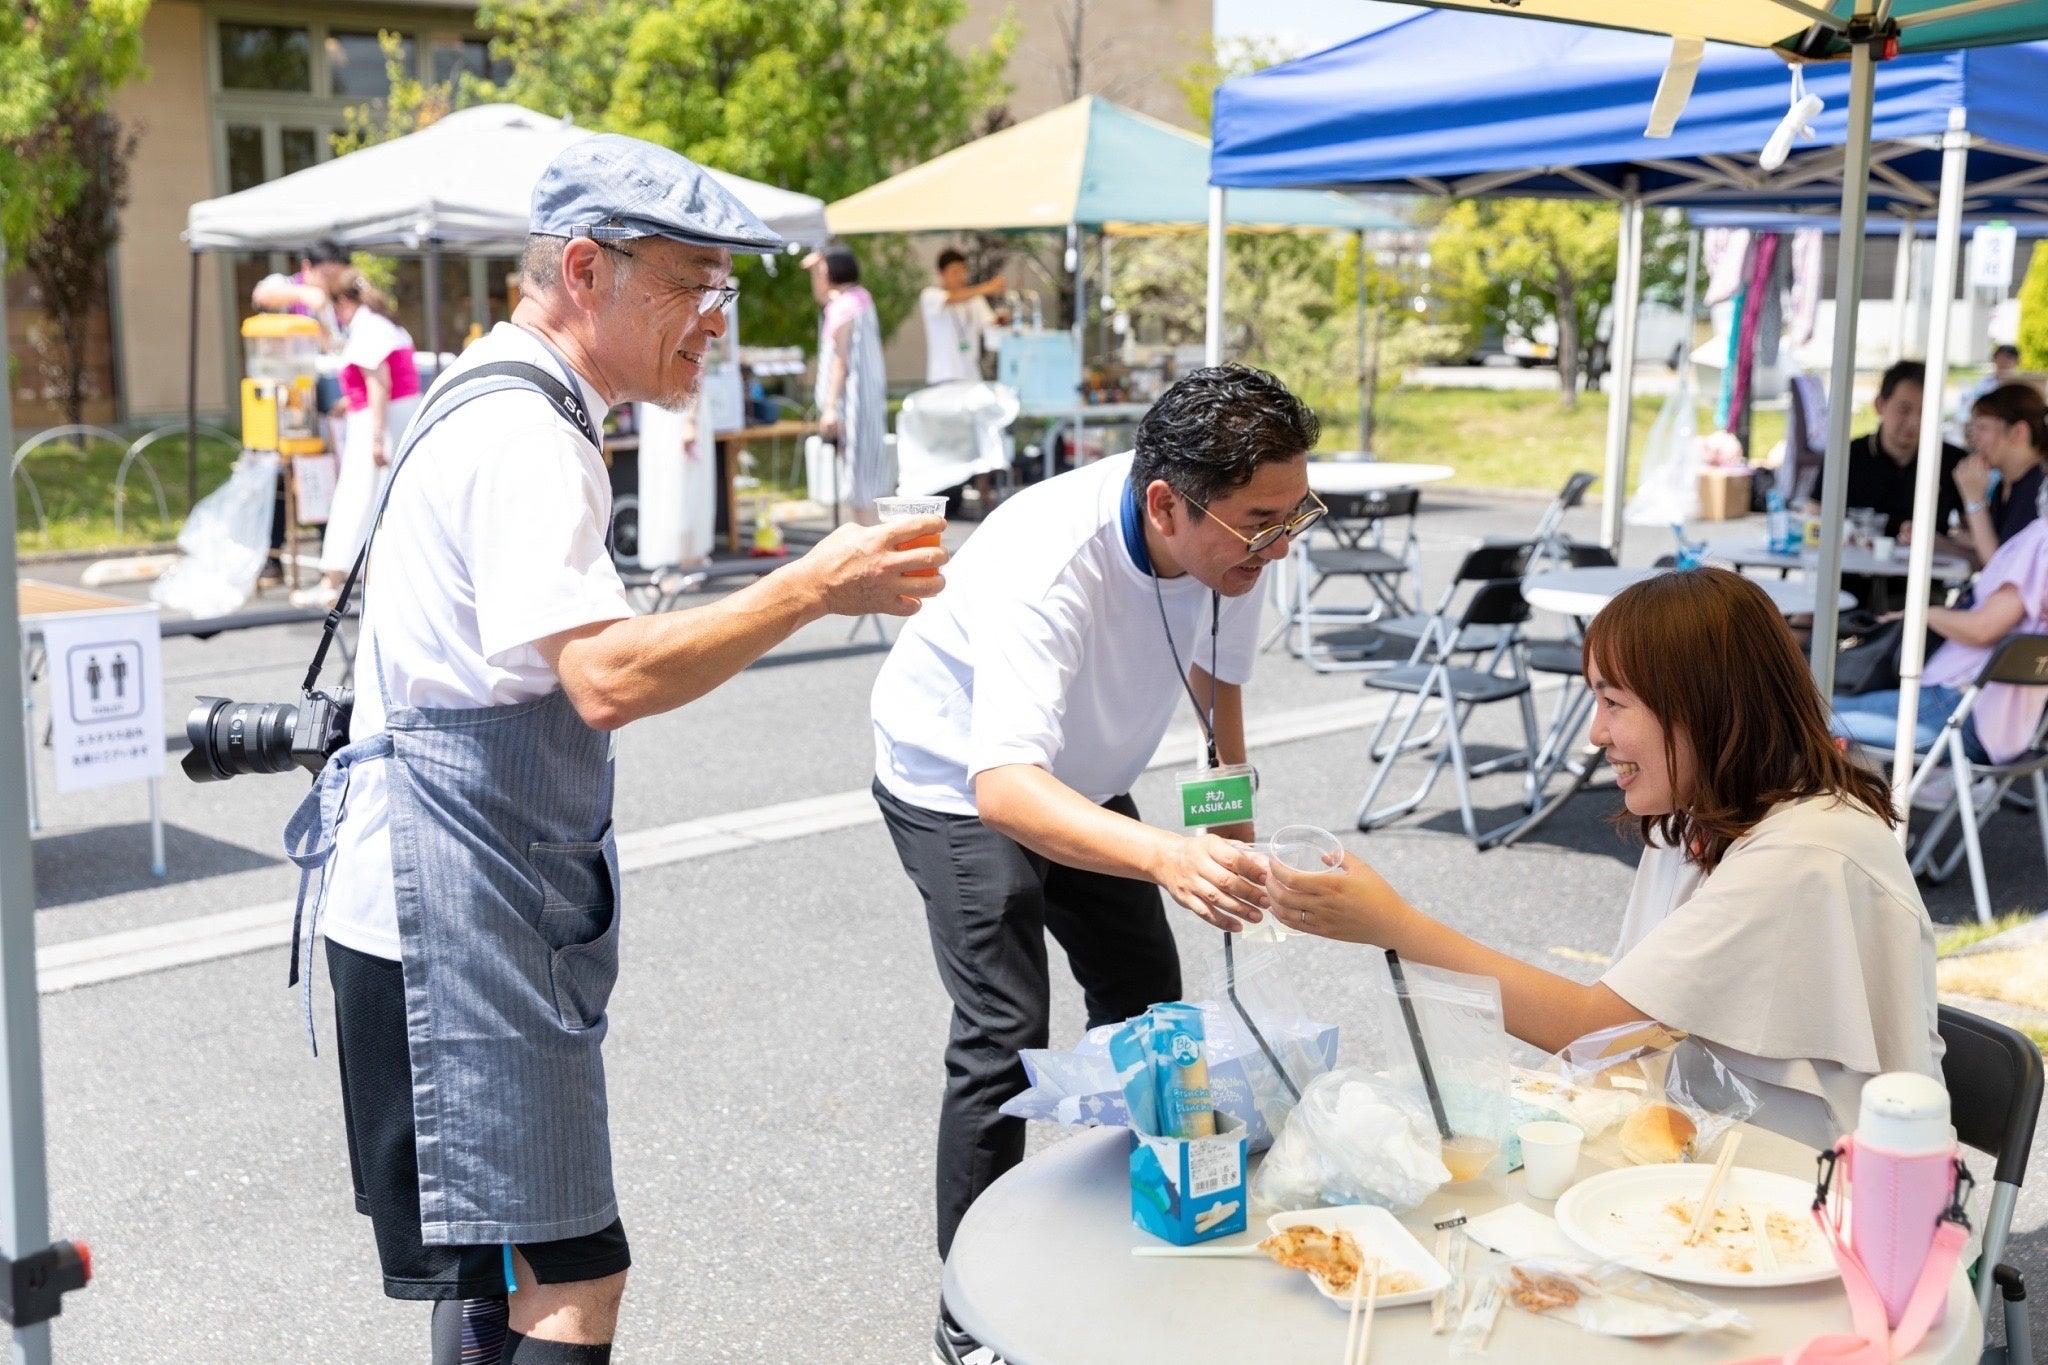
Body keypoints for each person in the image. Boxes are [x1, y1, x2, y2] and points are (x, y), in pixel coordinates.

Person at [288, 134, 947, 1365]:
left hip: (435, 898)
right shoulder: (530, 436)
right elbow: (605, 677)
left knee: (493, 1262)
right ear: (586, 270)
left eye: (725, 287)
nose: (715, 319)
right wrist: (813, 585)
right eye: (693, 284)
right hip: (454, 919)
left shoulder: (494, 389)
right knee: (575, 1274)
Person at [870, 364, 1317, 1363]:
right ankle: (970, 1307)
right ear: (1166, 504)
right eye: (1261, 522)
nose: (1280, 542)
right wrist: (1165, 854)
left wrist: (1226, 835)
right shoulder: (1050, 554)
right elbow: (1004, 789)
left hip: (1076, 771)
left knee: (1147, 995)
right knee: (1002, 1031)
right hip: (959, 775)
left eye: (1295, 515)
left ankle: (1137, 1223)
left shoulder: (1230, 539)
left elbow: (1218, 690)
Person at [1267, 568, 1943, 1152]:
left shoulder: (1805, 853)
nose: (1596, 733)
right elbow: (1636, 1032)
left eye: (1614, 702)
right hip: (1728, 1155)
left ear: (1703, 711)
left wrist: (1394, 924)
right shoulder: (1704, 817)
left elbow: (1597, 1026)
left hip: (1831, 1201)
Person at [1834, 479, 2048, 796]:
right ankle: (1878, 818)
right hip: (2010, 730)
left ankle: (1868, 828)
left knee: (1807, 712)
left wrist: (1922, 613)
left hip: (1958, 713)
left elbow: (1984, 628)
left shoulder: (2041, 538)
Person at [292, 271, 423, 609]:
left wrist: (377, 437)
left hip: (378, 422)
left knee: (357, 497)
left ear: (344, 302)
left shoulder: (369, 328)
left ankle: (334, 579)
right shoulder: (384, 324)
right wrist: (348, 404)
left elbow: (379, 383)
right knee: (380, 499)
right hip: (388, 417)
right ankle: (359, 575)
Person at [251, 241, 350, 587]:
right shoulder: (289, 287)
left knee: (323, 477)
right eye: (325, 276)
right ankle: (271, 558)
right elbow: (262, 294)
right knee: (279, 478)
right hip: (286, 403)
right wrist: (308, 296)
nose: (328, 284)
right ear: (307, 267)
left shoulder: (342, 304)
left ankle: (331, 557)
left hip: (325, 406)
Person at [1810, 360, 1965, 540]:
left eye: (1924, 412)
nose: (1914, 422)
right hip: (1854, 565)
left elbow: (1973, 538)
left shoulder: (1952, 461)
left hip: (1927, 566)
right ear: (1880, 405)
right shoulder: (1845, 456)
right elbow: (1813, 517)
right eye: (1904, 410)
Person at [804, 244, 890, 524]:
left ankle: (869, 553)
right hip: (869, 404)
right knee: (869, 483)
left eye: (820, 271)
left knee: (859, 486)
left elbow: (841, 361)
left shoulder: (843, 307)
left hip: (852, 407)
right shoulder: (861, 299)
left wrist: (829, 407)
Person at [1942, 382, 2048, 568]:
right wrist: (1936, 543)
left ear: (2018, 432)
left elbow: (2000, 569)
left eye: (1982, 428)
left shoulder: (2040, 487)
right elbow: (1990, 553)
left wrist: (1974, 500)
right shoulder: (2005, 485)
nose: (1973, 438)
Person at [919, 247, 1006, 386]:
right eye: (955, 272)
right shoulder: (930, 295)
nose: (960, 276)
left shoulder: (975, 300)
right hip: (943, 376)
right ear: (941, 273)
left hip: (971, 376)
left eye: (963, 270)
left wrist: (1004, 318)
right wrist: (987, 287)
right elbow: (952, 298)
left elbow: (991, 325)